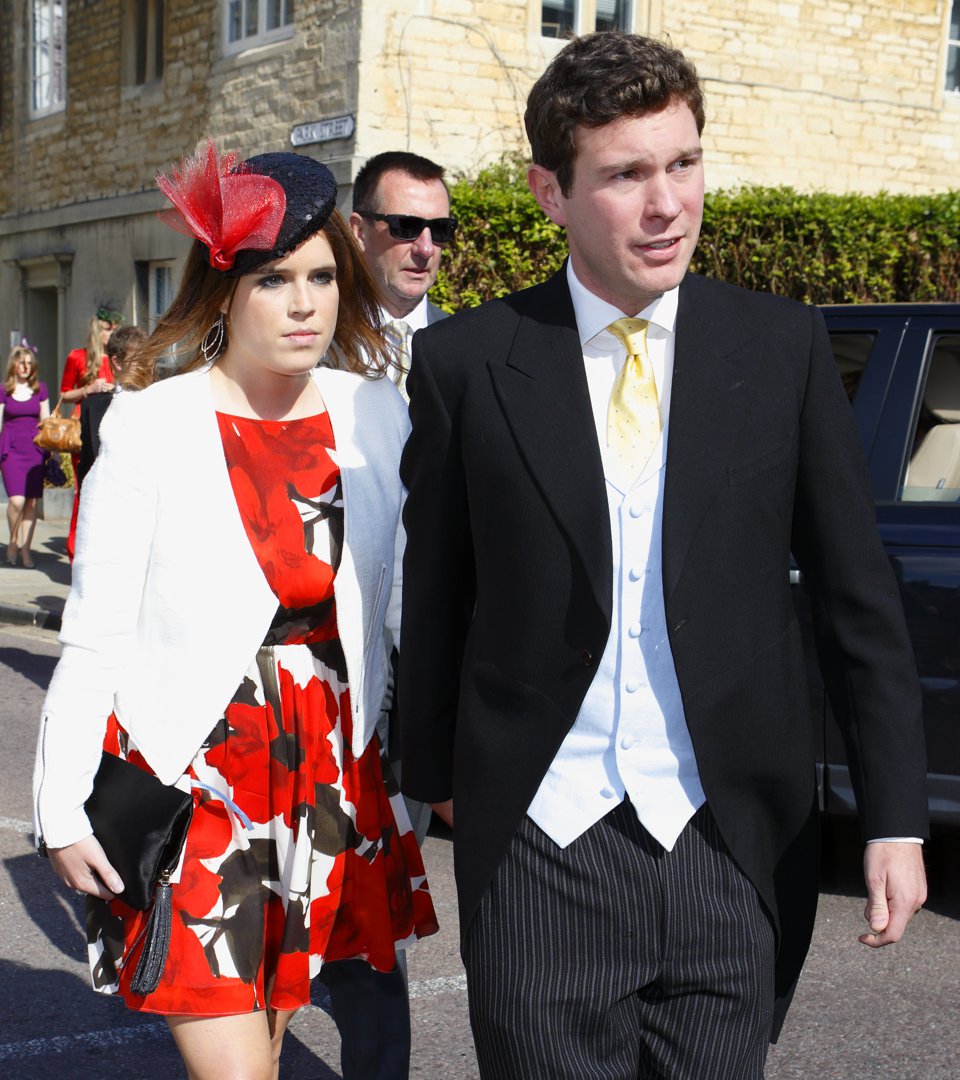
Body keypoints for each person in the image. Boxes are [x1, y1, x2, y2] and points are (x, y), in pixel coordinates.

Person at [398, 31, 929, 1079]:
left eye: (683, 163)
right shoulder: (466, 363)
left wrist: (897, 819)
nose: (667, 205)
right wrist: (434, 778)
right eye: (627, 174)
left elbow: (857, 600)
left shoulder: (780, 348)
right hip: (540, 842)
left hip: (732, 839)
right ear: (550, 192)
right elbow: (438, 587)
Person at [33, 141, 437, 1080]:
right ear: (225, 290)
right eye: (273, 280)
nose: (305, 304)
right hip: (201, 777)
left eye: (323, 278)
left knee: (267, 1046)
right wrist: (59, 808)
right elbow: (96, 628)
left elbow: (407, 603)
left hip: (332, 776)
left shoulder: (375, 411)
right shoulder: (151, 422)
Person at [349, 151, 456, 401]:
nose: (426, 248)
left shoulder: (466, 345)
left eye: (440, 229)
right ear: (359, 231)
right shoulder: (318, 339)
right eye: (406, 226)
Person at [60, 308, 121, 560]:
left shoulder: (120, 359)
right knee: (84, 488)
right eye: (108, 328)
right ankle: (75, 548)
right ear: (98, 331)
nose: (112, 333)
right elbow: (64, 394)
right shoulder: (78, 357)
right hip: (85, 429)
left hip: (112, 427)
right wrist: (89, 388)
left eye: (114, 329)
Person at [76, 324, 148, 486]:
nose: (146, 364)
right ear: (117, 362)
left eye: (148, 358)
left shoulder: (158, 402)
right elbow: (86, 466)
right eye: (138, 359)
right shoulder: (93, 407)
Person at [0, 342, 50, 567]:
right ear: (14, 365)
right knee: (16, 500)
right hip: (11, 449)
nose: (26, 367)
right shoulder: (4, 390)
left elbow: (46, 421)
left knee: (31, 503)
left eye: (29, 363)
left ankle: (26, 549)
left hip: (34, 450)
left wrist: (54, 452)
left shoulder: (41, 389)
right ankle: (12, 541)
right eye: (22, 363)